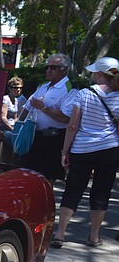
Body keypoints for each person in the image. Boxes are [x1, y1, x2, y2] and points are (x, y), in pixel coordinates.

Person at [52, 57, 119, 248]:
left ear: (99, 74)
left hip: (82, 148)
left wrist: (65, 151)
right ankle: (94, 236)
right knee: (101, 192)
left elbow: (73, 125)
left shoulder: (83, 94)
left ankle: (60, 233)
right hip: (109, 149)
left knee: (73, 189)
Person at [17, 54, 77, 182]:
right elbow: (27, 108)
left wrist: (43, 107)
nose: (49, 70)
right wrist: (18, 128)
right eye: (47, 67)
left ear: (65, 69)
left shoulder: (70, 89)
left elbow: (65, 118)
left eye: (53, 67)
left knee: (46, 177)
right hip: (33, 136)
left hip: (52, 139)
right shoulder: (43, 86)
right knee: (26, 174)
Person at [0, 76, 25, 163]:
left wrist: (18, 128)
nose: (18, 90)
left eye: (20, 88)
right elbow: (3, 118)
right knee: (13, 139)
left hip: (12, 127)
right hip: (4, 128)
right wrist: (12, 129)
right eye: (15, 88)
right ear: (9, 88)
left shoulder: (16, 100)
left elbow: (15, 118)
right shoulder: (5, 99)